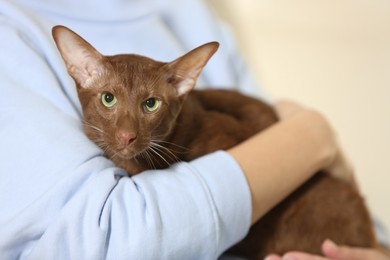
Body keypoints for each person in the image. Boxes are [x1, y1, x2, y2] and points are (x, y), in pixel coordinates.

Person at [0, 0, 386, 259]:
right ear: (80, 72)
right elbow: (104, 241)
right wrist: (314, 135)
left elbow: (273, 138)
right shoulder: (12, 27)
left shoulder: (191, 9)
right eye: (108, 101)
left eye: (149, 105)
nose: (127, 132)